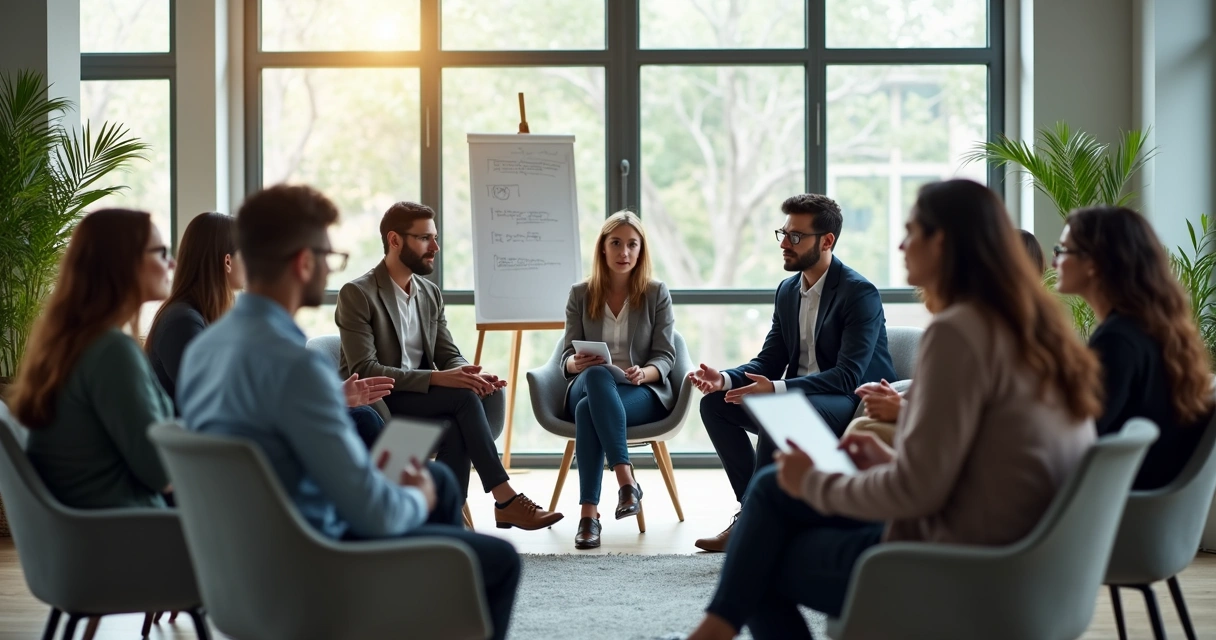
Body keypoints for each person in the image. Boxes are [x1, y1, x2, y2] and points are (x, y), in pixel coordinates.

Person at [684, 178, 1103, 640]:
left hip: (962, 564)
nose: (901, 246)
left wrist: (815, 482)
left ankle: (716, 625)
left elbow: (914, 494)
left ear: (942, 243)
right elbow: (973, 458)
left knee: (762, 553)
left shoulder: (957, 333)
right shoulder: (1034, 333)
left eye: (910, 232)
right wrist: (884, 458)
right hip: (1021, 559)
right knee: (768, 498)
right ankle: (717, 622)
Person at [176, 185, 520, 639]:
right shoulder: (298, 368)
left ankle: (422, 599)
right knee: (499, 559)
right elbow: (372, 513)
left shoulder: (202, 352)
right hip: (317, 567)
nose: (329, 268)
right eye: (328, 256)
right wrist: (416, 497)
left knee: (435, 476)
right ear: (304, 262)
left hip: (236, 572)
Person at [335, 201, 562, 530]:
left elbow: (448, 354)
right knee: (462, 399)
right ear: (395, 240)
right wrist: (441, 379)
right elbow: (367, 370)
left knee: (458, 418)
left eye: (435, 238)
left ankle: (448, 522)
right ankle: (505, 499)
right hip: (381, 404)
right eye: (424, 238)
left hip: (422, 402)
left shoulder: (430, 293)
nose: (435, 247)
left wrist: (469, 374)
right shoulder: (358, 293)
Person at [687, 193, 896, 552]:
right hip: (797, 398)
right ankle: (754, 510)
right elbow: (769, 361)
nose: (784, 244)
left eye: (795, 236)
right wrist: (726, 379)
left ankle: (753, 522)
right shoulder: (787, 291)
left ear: (826, 241)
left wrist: (777, 390)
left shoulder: (859, 293)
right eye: (783, 233)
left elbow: (847, 376)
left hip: (846, 402)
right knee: (716, 405)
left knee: (777, 409)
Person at [144, 211, 390, 446]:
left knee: (361, 416)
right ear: (228, 261)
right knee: (362, 420)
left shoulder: (208, 318)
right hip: (217, 448)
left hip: (238, 433)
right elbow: (223, 403)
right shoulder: (183, 322)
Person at [8, 209, 176, 509]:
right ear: (124, 264)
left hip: (97, 527)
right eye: (161, 252)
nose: (172, 263)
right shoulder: (112, 351)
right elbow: (161, 471)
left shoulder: (71, 342)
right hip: (132, 525)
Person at [843, 228, 1052, 446]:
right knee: (864, 427)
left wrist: (902, 409)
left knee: (864, 430)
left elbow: (983, 415)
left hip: (986, 444)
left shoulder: (1007, 333)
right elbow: (947, 388)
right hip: (959, 431)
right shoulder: (986, 322)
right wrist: (899, 399)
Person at [1055, 205, 1214, 489]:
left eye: (1064, 250)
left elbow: (1077, 436)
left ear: (1093, 263)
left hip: (1118, 500)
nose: (1055, 261)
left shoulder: (1117, 341)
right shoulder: (1154, 329)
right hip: (1145, 496)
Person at [558, 211, 675, 549]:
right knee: (596, 375)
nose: (624, 252)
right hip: (588, 381)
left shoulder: (656, 293)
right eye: (616, 243)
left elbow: (666, 356)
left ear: (641, 250)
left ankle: (588, 516)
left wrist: (644, 372)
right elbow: (565, 357)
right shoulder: (580, 294)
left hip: (638, 390)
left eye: (632, 245)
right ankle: (626, 480)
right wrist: (576, 362)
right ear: (603, 247)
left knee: (587, 412)